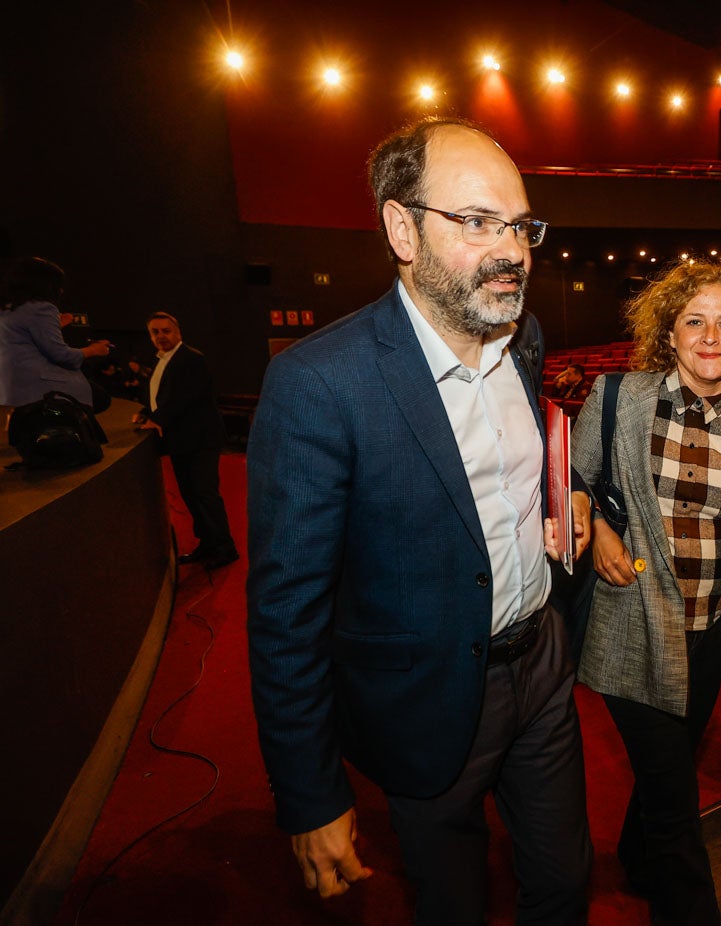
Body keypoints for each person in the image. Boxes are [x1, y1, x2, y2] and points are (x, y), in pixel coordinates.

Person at [246, 117, 593, 926]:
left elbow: (523, 462)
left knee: (565, 885)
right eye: (476, 222)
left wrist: (565, 494)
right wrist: (309, 793)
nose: (511, 250)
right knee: (451, 903)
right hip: (424, 700)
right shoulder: (318, 385)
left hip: (542, 668)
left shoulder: (525, 337)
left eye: (519, 225)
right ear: (401, 228)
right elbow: (284, 614)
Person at [572, 259, 721, 926]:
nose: (710, 336)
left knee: (664, 767)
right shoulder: (617, 397)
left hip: (711, 632)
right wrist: (596, 534)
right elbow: (570, 479)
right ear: (669, 335)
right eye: (694, 321)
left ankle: (635, 860)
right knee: (676, 798)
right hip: (630, 625)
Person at [135, 312, 237, 568]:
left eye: (165, 331)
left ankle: (226, 549)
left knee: (205, 494)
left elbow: (185, 397)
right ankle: (207, 543)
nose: (161, 336)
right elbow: (162, 396)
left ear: (178, 333)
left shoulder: (191, 358)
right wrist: (146, 412)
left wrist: (158, 419)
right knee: (190, 495)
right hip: (180, 441)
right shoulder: (161, 361)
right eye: (155, 332)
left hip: (200, 439)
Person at [0, 257, 111, 413]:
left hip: (10, 384)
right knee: (101, 398)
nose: (61, 291)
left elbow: (21, 338)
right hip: (37, 384)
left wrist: (56, 325)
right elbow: (61, 355)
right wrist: (94, 349)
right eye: (58, 285)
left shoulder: (8, 309)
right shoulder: (43, 308)